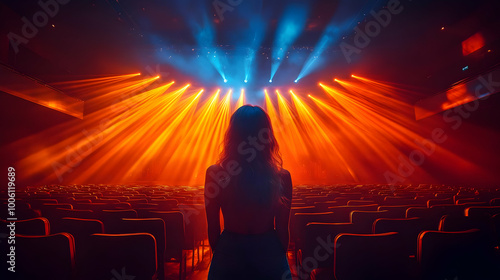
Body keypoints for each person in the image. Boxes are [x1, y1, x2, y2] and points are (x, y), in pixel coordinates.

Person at [204, 105, 293, 280]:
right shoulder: (282, 177)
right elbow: (283, 229)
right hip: (268, 249)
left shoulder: (215, 173)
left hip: (229, 249)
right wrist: (276, 258)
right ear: (267, 136)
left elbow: (213, 227)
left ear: (232, 135)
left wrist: (223, 254)